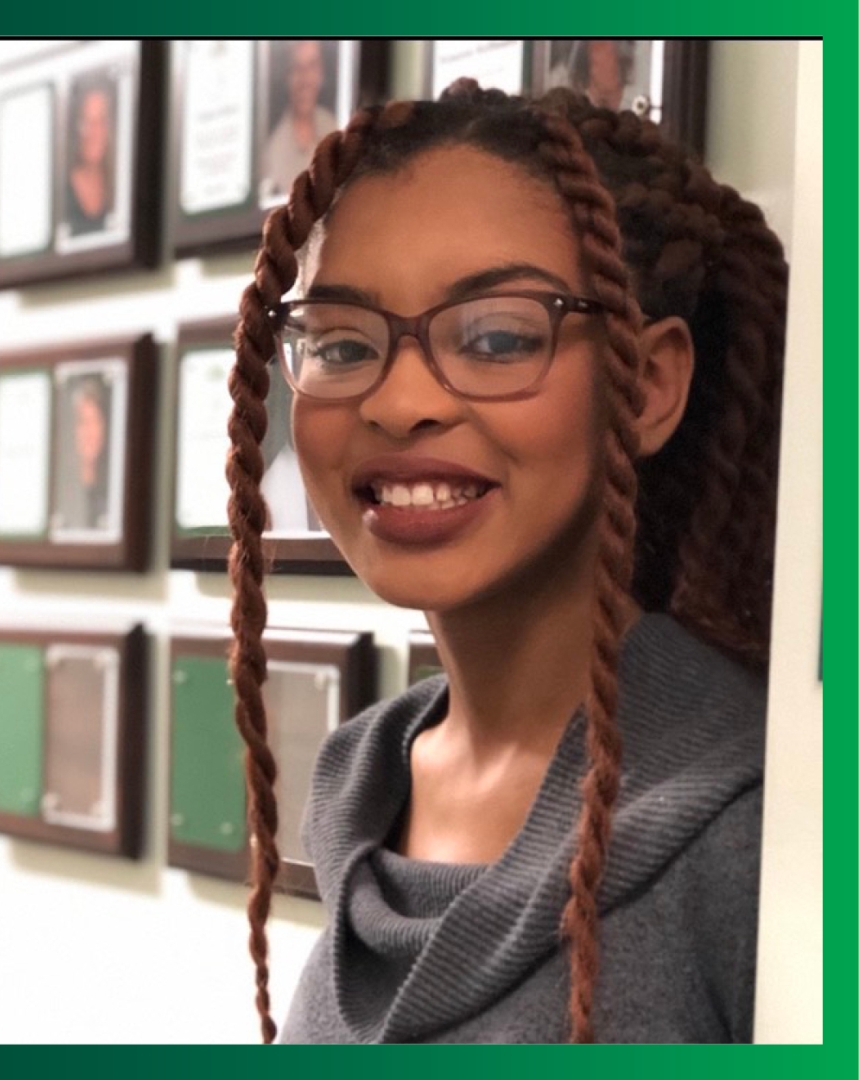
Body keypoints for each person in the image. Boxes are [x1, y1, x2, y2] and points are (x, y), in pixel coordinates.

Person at [226, 81, 786, 1044]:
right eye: (343, 341)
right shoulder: (366, 776)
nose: (399, 404)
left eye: (495, 336)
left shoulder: (764, 831)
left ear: (647, 386)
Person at [259, 40, 338, 203]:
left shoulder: (335, 129)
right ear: (286, 77)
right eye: (297, 68)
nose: (305, 79)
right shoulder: (271, 152)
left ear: (321, 72)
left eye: (312, 66)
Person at [55, 375, 110, 531]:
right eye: (83, 422)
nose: (90, 432)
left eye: (95, 422)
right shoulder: (64, 490)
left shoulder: (110, 488)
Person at [65, 75, 115, 236]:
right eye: (86, 121)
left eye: (100, 121)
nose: (93, 132)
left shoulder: (120, 186)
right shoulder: (63, 192)